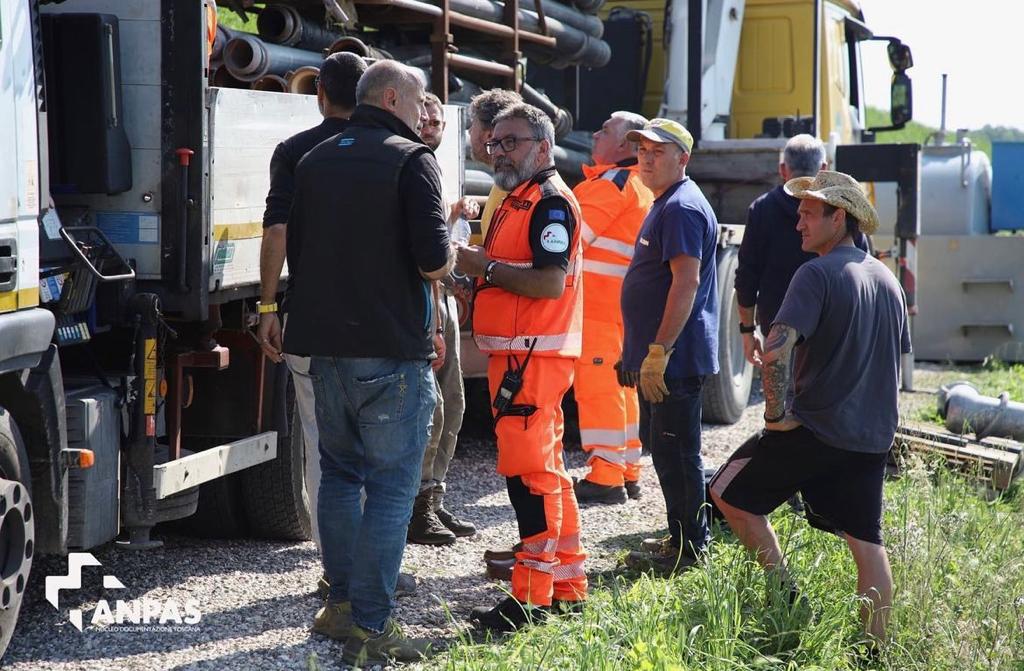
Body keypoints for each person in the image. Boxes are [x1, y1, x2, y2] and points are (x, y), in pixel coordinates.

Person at [284, 60, 453, 667]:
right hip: (388, 349)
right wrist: (454, 260)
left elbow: (296, 253)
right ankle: (374, 627)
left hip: (322, 348)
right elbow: (433, 261)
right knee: (389, 489)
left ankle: (339, 605)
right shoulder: (412, 159)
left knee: (340, 474)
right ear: (391, 97)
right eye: (419, 100)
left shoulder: (313, 159)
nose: (424, 111)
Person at [710, 171, 909, 647]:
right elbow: (894, 360)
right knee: (867, 546)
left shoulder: (815, 273)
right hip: (871, 436)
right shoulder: (888, 279)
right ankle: (873, 651)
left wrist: (777, 420)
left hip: (815, 428)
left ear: (838, 218)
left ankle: (787, 597)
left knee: (726, 492)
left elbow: (776, 350)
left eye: (807, 212)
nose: (798, 222)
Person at [455, 103, 587, 630]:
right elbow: (515, 275)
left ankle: (530, 602)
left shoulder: (550, 203)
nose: (498, 151)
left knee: (528, 476)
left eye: (511, 142)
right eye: (495, 142)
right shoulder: (518, 197)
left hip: (532, 357)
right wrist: (472, 282)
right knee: (546, 470)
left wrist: (483, 266)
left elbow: (548, 282)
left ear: (543, 146)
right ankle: (568, 586)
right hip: (522, 353)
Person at [256, 51, 366, 570]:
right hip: (379, 322)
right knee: (380, 446)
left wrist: (266, 305)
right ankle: (376, 562)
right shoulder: (398, 149)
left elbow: (277, 229)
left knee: (323, 443)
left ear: (319, 91)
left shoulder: (295, 150)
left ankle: (335, 565)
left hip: (312, 319)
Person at [618, 118, 719, 576]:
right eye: (641, 149)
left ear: (684, 158)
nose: (646, 157)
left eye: (658, 151)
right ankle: (683, 538)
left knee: (677, 453)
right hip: (663, 356)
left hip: (675, 359)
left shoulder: (680, 207)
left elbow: (686, 281)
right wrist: (635, 350)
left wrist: (658, 350)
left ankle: (691, 549)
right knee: (668, 451)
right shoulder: (666, 202)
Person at [571, 111, 654, 505]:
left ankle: (605, 476)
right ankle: (626, 470)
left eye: (604, 129)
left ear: (624, 145)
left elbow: (573, 240)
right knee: (621, 388)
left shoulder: (611, 184)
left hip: (598, 307)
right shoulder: (635, 184)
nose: (595, 134)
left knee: (598, 388)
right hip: (617, 307)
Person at [407, 93, 479, 545]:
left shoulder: (442, 165)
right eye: (425, 120)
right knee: (429, 408)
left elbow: (456, 242)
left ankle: (434, 497)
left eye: (437, 121)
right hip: (422, 298)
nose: (431, 126)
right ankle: (416, 507)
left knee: (455, 402)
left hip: (446, 297)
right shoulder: (410, 168)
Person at [734, 134, 866, 371]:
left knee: (787, 399)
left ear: (783, 169)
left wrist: (747, 330)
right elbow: (862, 264)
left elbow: (746, 276)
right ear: (824, 168)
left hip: (780, 333)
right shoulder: (842, 210)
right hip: (835, 329)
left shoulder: (762, 209)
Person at [467, 89, 524, 237]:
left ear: (489, 136)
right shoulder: (509, 179)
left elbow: (511, 256)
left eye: (473, 125)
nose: (469, 131)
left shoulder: (514, 186)